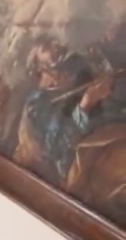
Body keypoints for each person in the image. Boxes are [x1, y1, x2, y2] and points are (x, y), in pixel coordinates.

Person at [14, 37, 126, 224]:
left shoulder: (74, 73)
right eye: (46, 47)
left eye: (53, 42)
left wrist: (107, 84)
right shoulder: (37, 104)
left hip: (112, 131)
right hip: (84, 159)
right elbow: (57, 147)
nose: (55, 45)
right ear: (38, 69)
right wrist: (85, 105)